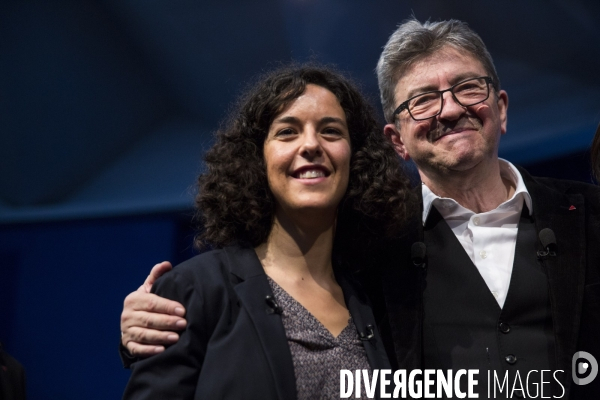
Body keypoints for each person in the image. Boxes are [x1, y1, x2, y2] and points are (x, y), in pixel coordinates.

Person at [121, 19, 600, 398]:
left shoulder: (591, 215)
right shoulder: (375, 248)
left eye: (467, 88)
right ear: (397, 141)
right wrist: (145, 332)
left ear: (500, 108)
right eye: (423, 100)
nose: (450, 109)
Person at [122, 65, 415, 399]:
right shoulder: (196, 290)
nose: (311, 145)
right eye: (287, 132)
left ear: (356, 158)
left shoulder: (376, 299)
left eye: (331, 131)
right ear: (257, 159)